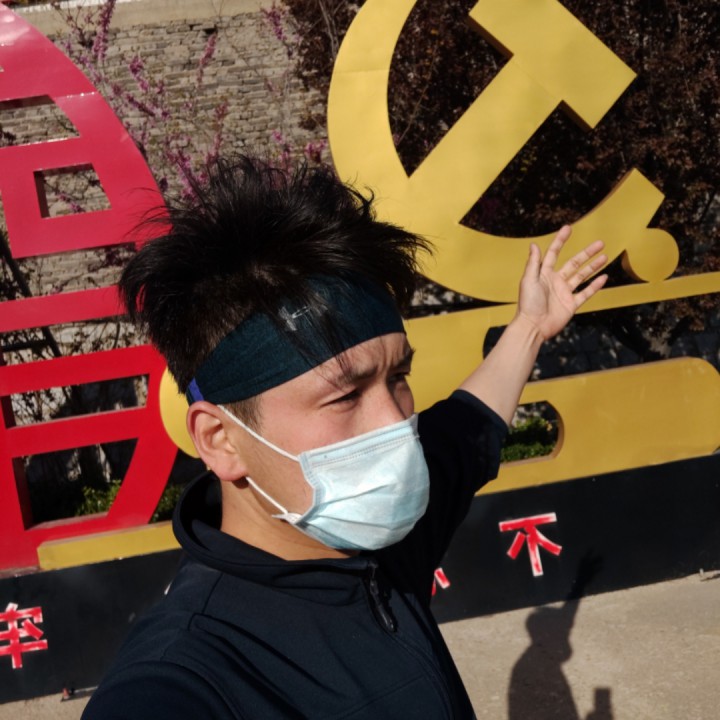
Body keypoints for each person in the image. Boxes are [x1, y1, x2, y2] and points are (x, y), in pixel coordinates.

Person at [82, 155, 607, 719]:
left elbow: (468, 425)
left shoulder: (377, 540)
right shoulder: (185, 676)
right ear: (220, 440)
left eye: (398, 376)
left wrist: (529, 327)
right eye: (345, 396)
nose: (396, 425)